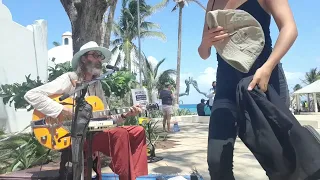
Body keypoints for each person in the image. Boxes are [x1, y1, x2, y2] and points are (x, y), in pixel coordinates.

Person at [198, 0, 297, 179]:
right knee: (216, 162)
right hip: (226, 86)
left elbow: (289, 28)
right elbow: (204, 53)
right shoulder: (212, 2)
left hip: (265, 82)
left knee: (282, 162)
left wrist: (268, 67)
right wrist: (206, 42)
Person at [24, 41, 148, 180]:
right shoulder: (70, 78)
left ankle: (132, 175)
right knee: (119, 134)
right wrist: (62, 110)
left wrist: (125, 115)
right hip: (71, 136)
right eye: (95, 55)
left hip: (92, 133)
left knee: (138, 131)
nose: (99, 60)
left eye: (100, 57)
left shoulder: (97, 85)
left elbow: (104, 116)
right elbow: (32, 95)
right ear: (83, 58)